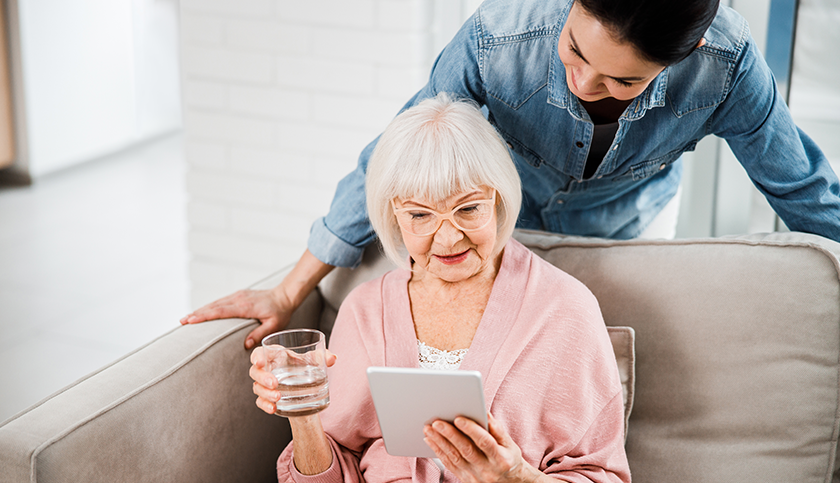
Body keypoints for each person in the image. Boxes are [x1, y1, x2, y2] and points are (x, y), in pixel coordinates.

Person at [181, 0, 840, 348]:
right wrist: (290, 288)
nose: (586, 83)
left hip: (623, 235)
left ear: (687, 53)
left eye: (622, 81)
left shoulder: (727, 69)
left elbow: (803, 189)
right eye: (577, 52)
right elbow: (397, 155)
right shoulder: (498, 39)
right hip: (505, 236)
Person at [248, 94, 631, 483]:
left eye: (468, 209)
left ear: (499, 200)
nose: (447, 238)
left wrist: (513, 477)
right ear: (393, 215)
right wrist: (303, 414)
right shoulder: (366, 308)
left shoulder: (566, 309)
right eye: (420, 216)